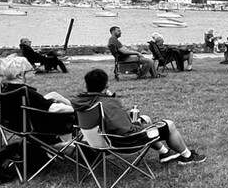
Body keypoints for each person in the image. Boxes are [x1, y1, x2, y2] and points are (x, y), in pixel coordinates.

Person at [73, 68, 205, 164]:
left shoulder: (82, 102)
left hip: (97, 141)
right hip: (124, 141)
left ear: (87, 85)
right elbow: (125, 129)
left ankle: (164, 153)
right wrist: (138, 126)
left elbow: (111, 122)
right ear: (106, 84)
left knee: (146, 118)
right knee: (168, 124)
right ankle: (187, 156)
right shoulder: (108, 103)